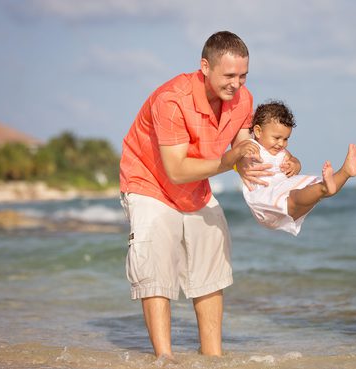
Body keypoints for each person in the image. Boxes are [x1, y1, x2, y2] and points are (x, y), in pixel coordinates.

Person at [119, 31, 278, 359]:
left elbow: (242, 144)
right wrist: (227, 163)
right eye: (229, 75)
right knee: (156, 270)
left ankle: (213, 359)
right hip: (150, 184)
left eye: (243, 75)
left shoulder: (243, 99)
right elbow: (176, 170)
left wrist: (252, 163)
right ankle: (166, 359)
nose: (237, 84)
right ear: (205, 66)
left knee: (210, 269)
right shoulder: (172, 99)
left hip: (197, 187)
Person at [241, 101, 356, 236]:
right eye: (277, 138)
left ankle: (344, 174)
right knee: (294, 197)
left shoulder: (281, 153)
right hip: (265, 202)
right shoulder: (250, 146)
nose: (281, 143)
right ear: (258, 131)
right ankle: (325, 187)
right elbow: (228, 159)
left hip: (284, 197)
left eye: (286, 139)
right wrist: (238, 157)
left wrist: (295, 165)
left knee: (309, 192)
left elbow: (294, 160)